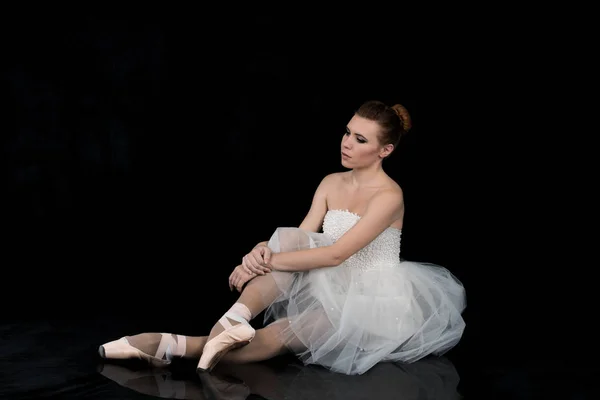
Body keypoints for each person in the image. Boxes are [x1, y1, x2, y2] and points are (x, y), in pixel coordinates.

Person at [98, 100, 467, 376]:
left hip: (374, 300)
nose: (346, 143)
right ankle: (233, 319)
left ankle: (165, 343)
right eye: (346, 132)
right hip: (333, 282)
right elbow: (301, 237)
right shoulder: (330, 182)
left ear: (385, 151)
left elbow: (337, 253)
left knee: (277, 336)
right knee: (280, 242)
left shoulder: (389, 195)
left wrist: (267, 259)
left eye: (360, 139)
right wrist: (260, 252)